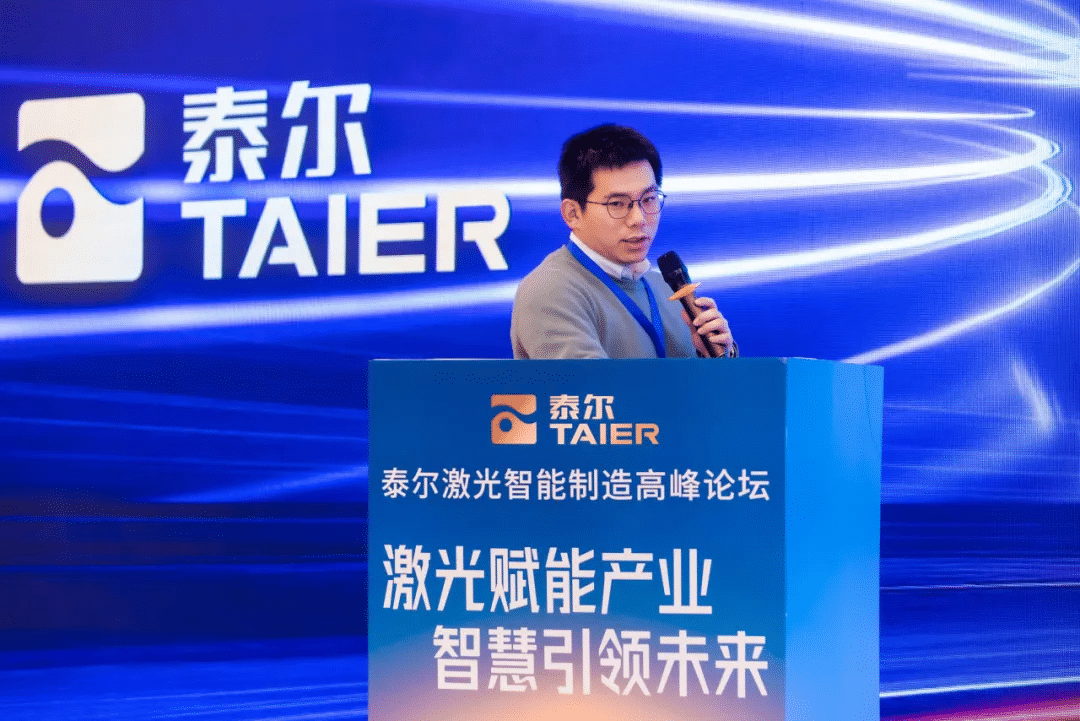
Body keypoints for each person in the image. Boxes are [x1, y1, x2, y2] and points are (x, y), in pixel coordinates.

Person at [511, 124, 735, 359]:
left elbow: (708, 382)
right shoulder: (550, 291)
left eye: (648, 199)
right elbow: (593, 383)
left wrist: (715, 359)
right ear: (572, 214)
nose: (639, 219)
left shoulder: (667, 288)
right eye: (617, 204)